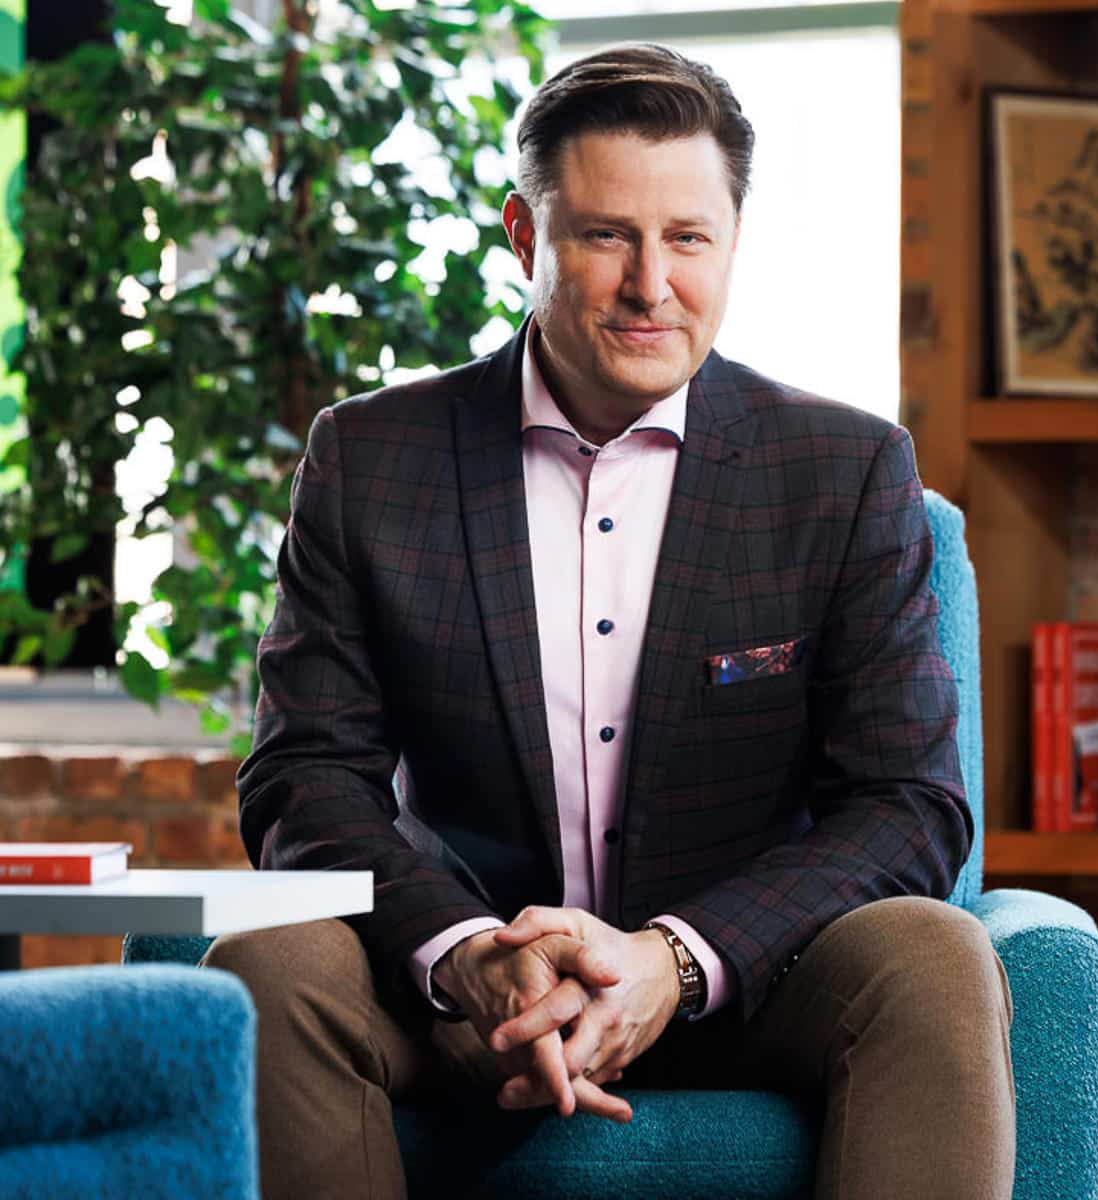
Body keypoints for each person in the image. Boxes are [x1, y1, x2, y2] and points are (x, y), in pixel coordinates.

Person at [203, 42, 1015, 1200]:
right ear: (524, 237)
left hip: (750, 979)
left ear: (732, 241)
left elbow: (908, 804)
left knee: (934, 954)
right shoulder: (371, 460)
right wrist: (468, 956)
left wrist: (672, 962)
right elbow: (303, 777)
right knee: (268, 964)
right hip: (464, 988)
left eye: (688, 238)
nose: (652, 285)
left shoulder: (844, 471)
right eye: (605, 236)